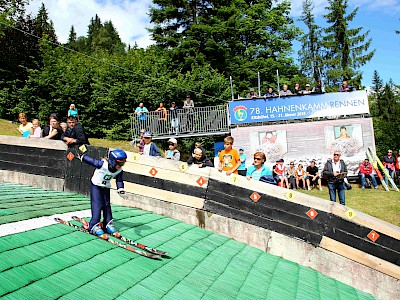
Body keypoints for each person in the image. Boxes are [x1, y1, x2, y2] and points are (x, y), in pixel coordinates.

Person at [76, 149, 127, 237]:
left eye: (122, 163)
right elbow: (92, 161)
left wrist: (120, 188)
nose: (120, 166)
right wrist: (82, 156)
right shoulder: (103, 165)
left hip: (106, 187)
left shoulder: (119, 170)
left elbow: (119, 180)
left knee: (107, 205)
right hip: (96, 185)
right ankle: (93, 225)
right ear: (112, 161)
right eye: (119, 163)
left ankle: (107, 223)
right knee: (97, 205)